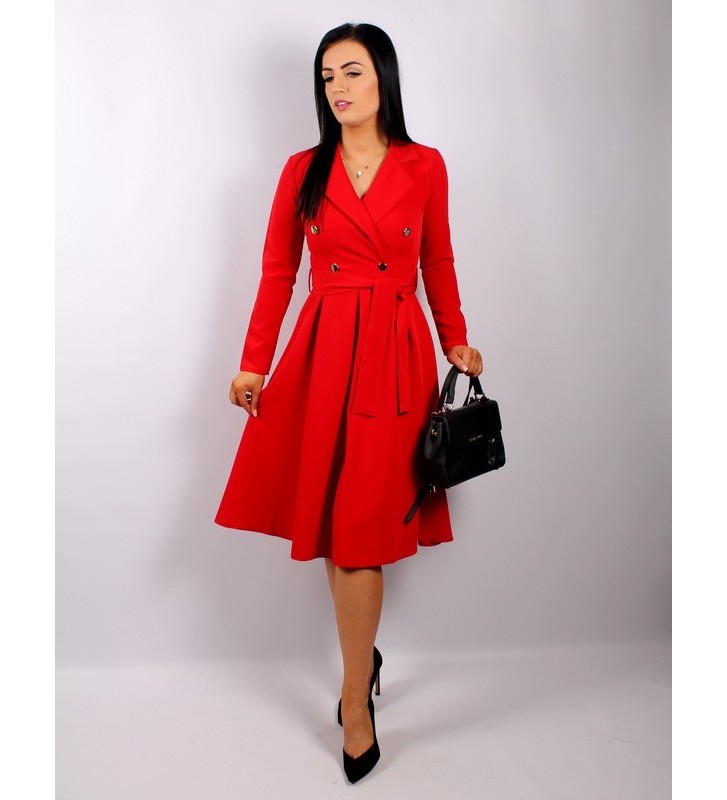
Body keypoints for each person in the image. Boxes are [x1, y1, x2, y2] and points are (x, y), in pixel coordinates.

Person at [215, 22, 483, 783]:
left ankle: (354, 694)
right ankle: (360, 671)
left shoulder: (424, 165)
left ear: (383, 78)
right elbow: (277, 270)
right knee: (340, 527)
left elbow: (437, 257)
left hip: (394, 354)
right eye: (327, 75)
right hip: (324, 352)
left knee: (361, 531)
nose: (338, 87)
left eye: (353, 71)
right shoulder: (302, 169)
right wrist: (253, 362)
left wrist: (456, 339)